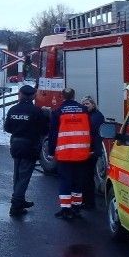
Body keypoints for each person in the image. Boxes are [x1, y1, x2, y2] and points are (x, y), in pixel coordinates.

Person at [4, 84, 48, 217]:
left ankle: (20, 200)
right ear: (33, 96)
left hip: (16, 145)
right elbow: (44, 130)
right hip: (30, 146)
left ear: (21, 95)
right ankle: (16, 205)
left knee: (17, 175)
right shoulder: (37, 111)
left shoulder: (13, 109)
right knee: (24, 177)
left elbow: (7, 128)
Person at [48, 87, 92, 219]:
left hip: (64, 154)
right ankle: (76, 207)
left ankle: (66, 209)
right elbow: (91, 130)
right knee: (78, 181)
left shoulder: (58, 112)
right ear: (74, 96)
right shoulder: (84, 110)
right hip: (81, 153)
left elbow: (53, 134)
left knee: (65, 180)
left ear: (62, 96)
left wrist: (51, 151)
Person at [80, 95, 106, 211]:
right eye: (83, 104)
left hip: (91, 150)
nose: (85, 106)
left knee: (87, 176)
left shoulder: (97, 116)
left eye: (87, 104)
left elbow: (93, 133)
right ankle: (86, 200)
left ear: (93, 105)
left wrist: (94, 150)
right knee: (86, 176)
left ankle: (89, 202)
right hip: (86, 149)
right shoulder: (87, 115)